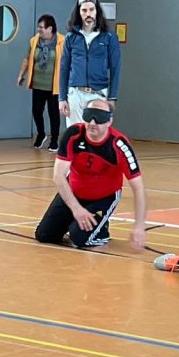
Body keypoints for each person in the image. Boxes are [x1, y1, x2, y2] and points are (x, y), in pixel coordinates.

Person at [34, 99, 146, 249]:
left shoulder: (119, 145)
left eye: (99, 117)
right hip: (74, 192)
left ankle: (101, 229)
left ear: (109, 121)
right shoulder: (73, 135)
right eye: (89, 115)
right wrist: (76, 208)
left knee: (79, 239)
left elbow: (138, 188)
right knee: (44, 235)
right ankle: (76, 221)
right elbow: (58, 176)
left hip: (103, 197)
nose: (93, 122)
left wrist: (139, 226)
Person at [58, 0, 121, 128]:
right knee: (75, 134)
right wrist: (62, 98)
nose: (88, 14)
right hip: (76, 93)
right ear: (79, 12)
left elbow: (115, 69)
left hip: (99, 93)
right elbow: (64, 68)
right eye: (84, 10)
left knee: (97, 133)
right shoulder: (71, 37)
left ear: (97, 11)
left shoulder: (109, 37)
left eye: (91, 10)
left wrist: (112, 97)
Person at [17, 14, 65, 151]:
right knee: (36, 110)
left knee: (53, 113)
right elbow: (27, 59)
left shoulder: (62, 41)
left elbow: (68, 62)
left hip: (54, 85)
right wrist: (21, 75)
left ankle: (54, 140)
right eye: (38, 27)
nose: (39, 30)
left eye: (41, 27)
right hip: (38, 83)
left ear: (50, 28)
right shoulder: (34, 41)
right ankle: (41, 133)